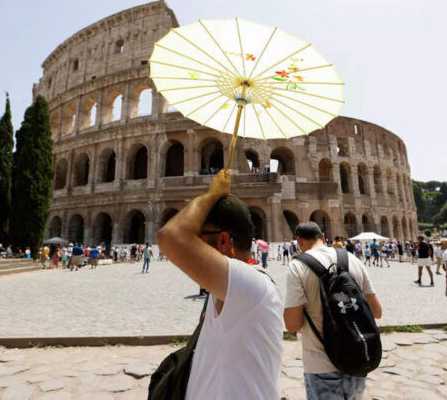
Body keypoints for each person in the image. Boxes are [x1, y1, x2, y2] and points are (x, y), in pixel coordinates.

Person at [157, 170, 283, 399]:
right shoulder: (229, 290)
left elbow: (170, 237)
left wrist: (213, 193)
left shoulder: (252, 286)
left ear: (224, 240)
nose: (195, 244)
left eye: (199, 237)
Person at [284, 221, 382, 400]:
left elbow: (292, 325)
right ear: (322, 237)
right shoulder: (351, 258)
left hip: (320, 364)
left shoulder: (298, 266)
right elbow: (376, 312)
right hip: (358, 357)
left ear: (299, 241)